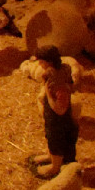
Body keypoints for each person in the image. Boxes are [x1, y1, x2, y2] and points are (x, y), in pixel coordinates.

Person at [31, 47, 79, 179]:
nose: (40, 65)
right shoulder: (58, 72)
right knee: (50, 137)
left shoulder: (57, 82)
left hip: (58, 119)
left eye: (41, 62)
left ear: (49, 62)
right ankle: (50, 156)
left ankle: (55, 166)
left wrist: (47, 94)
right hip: (53, 116)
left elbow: (60, 109)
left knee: (56, 139)